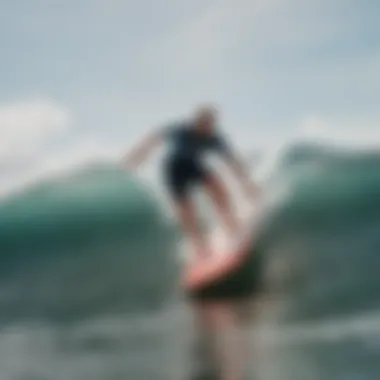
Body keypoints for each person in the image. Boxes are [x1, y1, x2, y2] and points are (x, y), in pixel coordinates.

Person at [123, 104, 259, 257]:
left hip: (194, 167)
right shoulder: (181, 129)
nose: (205, 127)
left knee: (218, 189)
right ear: (196, 121)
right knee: (187, 212)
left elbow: (233, 162)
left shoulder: (214, 138)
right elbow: (151, 140)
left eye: (209, 123)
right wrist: (132, 161)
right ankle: (201, 248)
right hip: (174, 170)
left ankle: (233, 229)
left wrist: (248, 185)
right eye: (202, 122)